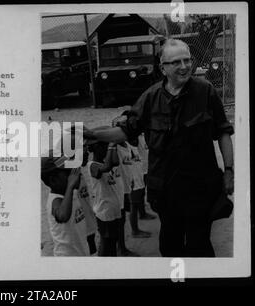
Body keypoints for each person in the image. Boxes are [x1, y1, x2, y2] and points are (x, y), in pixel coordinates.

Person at [83, 39, 234, 257]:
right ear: (163, 68)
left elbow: (223, 132)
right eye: (176, 62)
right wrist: (93, 134)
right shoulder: (150, 98)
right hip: (165, 189)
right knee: (170, 244)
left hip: (200, 187)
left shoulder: (205, 92)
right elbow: (126, 131)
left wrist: (229, 171)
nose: (184, 66)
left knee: (199, 245)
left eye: (187, 60)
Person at [41, 154, 89, 256]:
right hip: (67, 256)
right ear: (53, 180)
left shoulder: (71, 194)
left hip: (80, 250)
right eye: (68, 173)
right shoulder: (55, 200)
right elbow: (62, 216)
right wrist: (70, 186)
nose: (73, 175)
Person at [83, 141, 123, 256]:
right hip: (104, 210)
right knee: (106, 241)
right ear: (96, 149)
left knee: (113, 240)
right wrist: (111, 145)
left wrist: (112, 146)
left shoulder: (105, 161)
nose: (106, 150)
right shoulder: (92, 165)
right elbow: (106, 167)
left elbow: (115, 162)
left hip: (112, 208)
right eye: (104, 147)